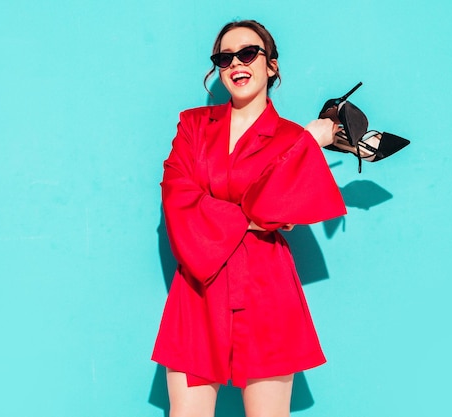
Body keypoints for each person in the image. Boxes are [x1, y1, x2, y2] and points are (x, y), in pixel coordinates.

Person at [152, 20, 347, 417]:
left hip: (267, 289)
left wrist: (308, 142)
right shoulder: (191, 126)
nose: (236, 64)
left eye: (248, 53)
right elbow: (177, 200)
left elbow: (277, 209)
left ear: (271, 66)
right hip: (198, 289)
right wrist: (256, 215)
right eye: (224, 57)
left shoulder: (293, 139)